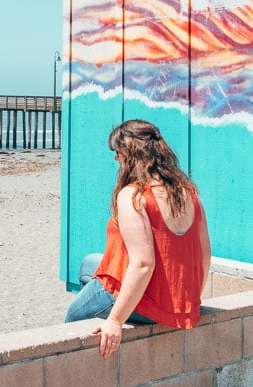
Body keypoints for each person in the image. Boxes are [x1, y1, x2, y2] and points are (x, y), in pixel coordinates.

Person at [64, 119, 211, 359]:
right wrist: (190, 300)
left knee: (73, 315)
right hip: (179, 300)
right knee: (89, 264)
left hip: (150, 301)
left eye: (118, 153)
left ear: (131, 155)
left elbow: (144, 264)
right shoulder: (189, 193)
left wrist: (115, 320)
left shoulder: (133, 196)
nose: (115, 160)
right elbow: (205, 256)